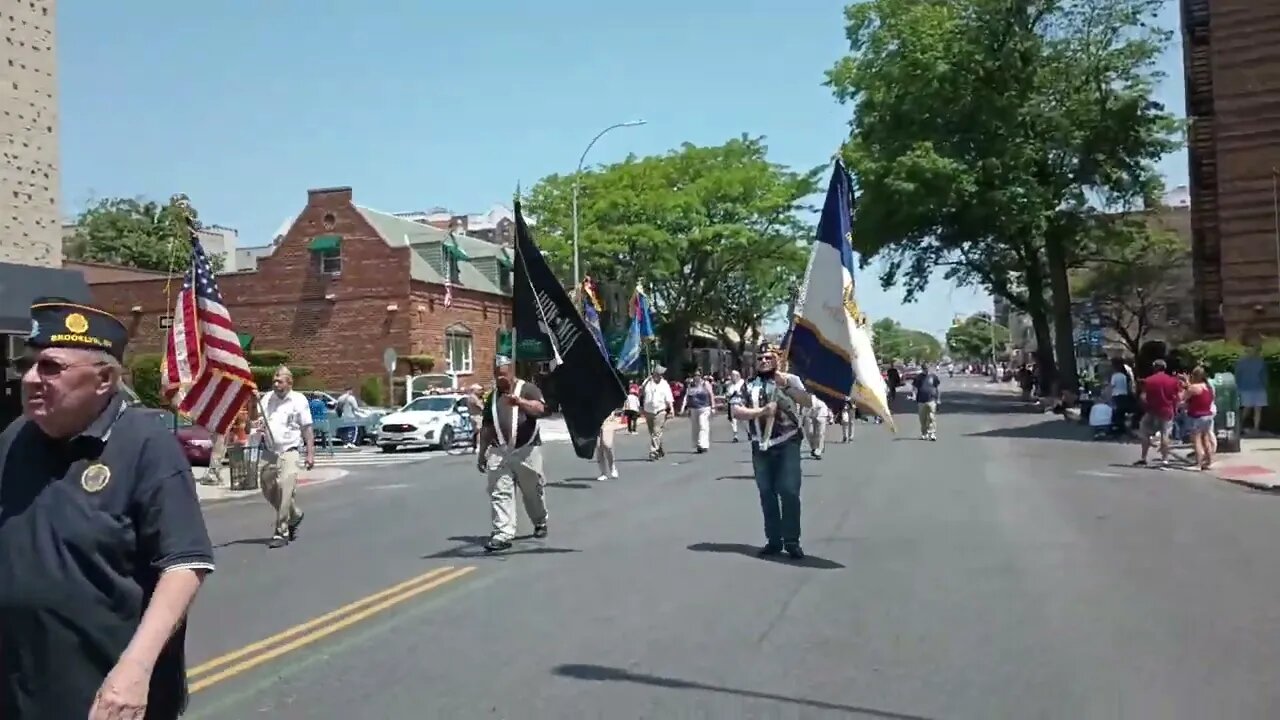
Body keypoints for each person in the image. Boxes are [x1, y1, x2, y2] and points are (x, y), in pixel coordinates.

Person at [0, 298, 214, 719]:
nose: (29, 379)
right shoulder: (15, 438)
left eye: (50, 367)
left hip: (104, 699)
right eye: (27, 364)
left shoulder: (147, 448)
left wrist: (135, 669)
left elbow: (185, 564)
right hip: (19, 690)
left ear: (103, 379)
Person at [731, 343, 813, 560]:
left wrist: (786, 386)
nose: (764, 361)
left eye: (769, 357)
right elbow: (736, 410)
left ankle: (792, 541)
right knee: (767, 493)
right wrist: (761, 411)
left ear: (777, 359)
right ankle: (774, 540)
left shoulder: (789, 380)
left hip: (787, 441)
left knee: (788, 491)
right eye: (760, 358)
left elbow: (807, 401)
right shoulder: (747, 385)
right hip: (761, 444)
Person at [475, 355, 548, 552]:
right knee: (500, 492)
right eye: (497, 375)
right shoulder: (492, 398)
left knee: (532, 492)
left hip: (527, 449)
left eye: (504, 375)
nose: (501, 379)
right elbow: (487, 427)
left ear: (512, 372)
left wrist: (521, 402)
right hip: (500, 450)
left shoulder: (528, 389)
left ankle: (540, 521)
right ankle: (503, 533)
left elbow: (540, 409)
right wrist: (482, 453)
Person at [254, 366, 315, 548]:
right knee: (268, 488)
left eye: (279, 380)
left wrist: (310, 454)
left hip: (290, 451)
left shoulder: (298, 400)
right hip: (270, 451)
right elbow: (255, 417)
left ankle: (282, 532)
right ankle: (295, 515)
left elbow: (307, 428)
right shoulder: (267, 398)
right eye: (274, 380)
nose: (275, 383)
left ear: (289, 383)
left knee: (285, 489)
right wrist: (252, 401)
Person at [1135, 358, 1181, 467]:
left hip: (1152, 410)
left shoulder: (1148, 380)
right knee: (1165, 434)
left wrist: (1146, 406)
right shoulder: (1173, 381)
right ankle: (1165, 459)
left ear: (1155, 367)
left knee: (1144, 432)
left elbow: (1143, 397)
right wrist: (1175, 409)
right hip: (1167, 411)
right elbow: (1177, 397)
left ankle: (1143, 457)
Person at [1183, 365, 1216, 470]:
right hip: (1208, 415)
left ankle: (1198, 464)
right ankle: (1209, 462)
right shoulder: (1208, 387)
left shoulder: (1194, 388)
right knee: (1206, 438)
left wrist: (1186, 384)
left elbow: (1183, 398)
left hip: (1197, 416)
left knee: (1197, 440)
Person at [1235, 336, 1268, 434]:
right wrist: (1238, 388)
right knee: (1247, 409)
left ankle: (1256, 428)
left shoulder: (1260, 361)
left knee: (1258, 409)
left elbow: (1264, 375)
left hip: (1258, 388)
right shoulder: (1242, 362)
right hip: (1246, 388)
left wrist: (1264, 385)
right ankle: (1239, 426)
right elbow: (1238, 375)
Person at [640, 365, 674, 460]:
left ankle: (653, 451)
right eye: (659, 374)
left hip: (660, 410)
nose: (660, 376)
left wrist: (671, 409)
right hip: (648, 411)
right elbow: (641, 393)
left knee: (656, 431)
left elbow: (669, 397)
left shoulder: (664, 384)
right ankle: (659, 448)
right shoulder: (647, 382)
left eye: (661, 374)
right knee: (653, 433)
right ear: (655, 373)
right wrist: (641, 407)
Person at [913, 363, 942, 441]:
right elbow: (914, 387)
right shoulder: (918, 377)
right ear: (922, 369)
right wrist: (914, 395)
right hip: (921, 400)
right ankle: (924, 434)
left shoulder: (933, 377)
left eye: (927, 368)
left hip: (931, 400)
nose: (926, 370)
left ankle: (932, 433)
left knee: (932, 417)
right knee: (923, 418)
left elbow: (937, 388)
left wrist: (938, 399)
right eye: (924, 369)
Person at [685, 374, 713, 453]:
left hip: (704, 407)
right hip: (694, 408)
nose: (696, 377)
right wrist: (687, 408)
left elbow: (711, 394)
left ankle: (702, 444)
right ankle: (697, 443)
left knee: (703, 425)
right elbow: (688, 397)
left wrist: (713, 406)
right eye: (695, 375)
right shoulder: (691, 385)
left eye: (698, 375)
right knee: (695, 427)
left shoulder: (705, 384)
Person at [804, 395, 830, 459]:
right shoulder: (807, 397)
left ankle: (818, 451)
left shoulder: (815, 399)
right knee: (811, 433)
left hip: (822, 415)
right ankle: (814, 448)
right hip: (812, 415)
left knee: (820, 433)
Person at [595, 412, 618, 481]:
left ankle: (612, 466)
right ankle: (603, 473)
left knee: (607, 444)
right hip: (595, 422)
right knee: (599, 447)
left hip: (607, 420)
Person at [724, 370, 745, 442]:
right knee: (733, 420)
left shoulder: (742, 383)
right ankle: (735, 436)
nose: (733, 377)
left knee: (742, 420)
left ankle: (748, 432)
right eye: (732, 375)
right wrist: (727, 397)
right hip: (732, 404)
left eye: (734, 375)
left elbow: (745, 394)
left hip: (740, 403)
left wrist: (739, 395)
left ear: (737, 376)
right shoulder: (729, 385)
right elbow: (727, 394)